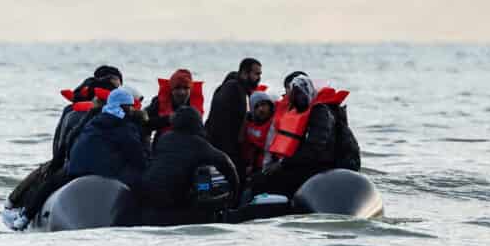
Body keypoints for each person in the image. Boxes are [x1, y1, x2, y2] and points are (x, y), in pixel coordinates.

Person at [11, 66, 125, 222]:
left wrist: (59, 162)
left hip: (75, 165)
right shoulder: (121, 116)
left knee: (47, 178)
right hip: (99, 167)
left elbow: (63, 144)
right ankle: (21, 209)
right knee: (48, 176)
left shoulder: (76, 112)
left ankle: (22, 213)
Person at [250, 72, 361, 200]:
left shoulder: (320, 112)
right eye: (295, 94)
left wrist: (283, 164)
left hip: (328, 166)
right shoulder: (301, 112)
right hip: (312, 163)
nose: (299, 98)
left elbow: (315, 148)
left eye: (301, 93)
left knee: (263, 181)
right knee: (258, 179)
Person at [139, 103, 243, 217]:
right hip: (171, 200)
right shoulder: (200, 145)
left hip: (146, 194)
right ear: (197, 123)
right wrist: (234, 196)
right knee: (204, 172)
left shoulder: (164, 138)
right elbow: (227, 163)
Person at [60, 85, 151, 192]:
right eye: (129, 106)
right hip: (103, 177)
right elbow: (140, 160)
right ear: (123, 106)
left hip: (75, 172)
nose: (132, 109)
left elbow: (72, 140)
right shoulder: (124, 127)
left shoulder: (93, 121)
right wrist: (146, 143)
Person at [207, 58, 265, 161]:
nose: (259, 78)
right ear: (244, 73)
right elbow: (225, 122)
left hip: (218, 147)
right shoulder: (234, 89)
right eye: (256, 74)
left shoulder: (233, 88)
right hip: (225, 149)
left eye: (260, 74)